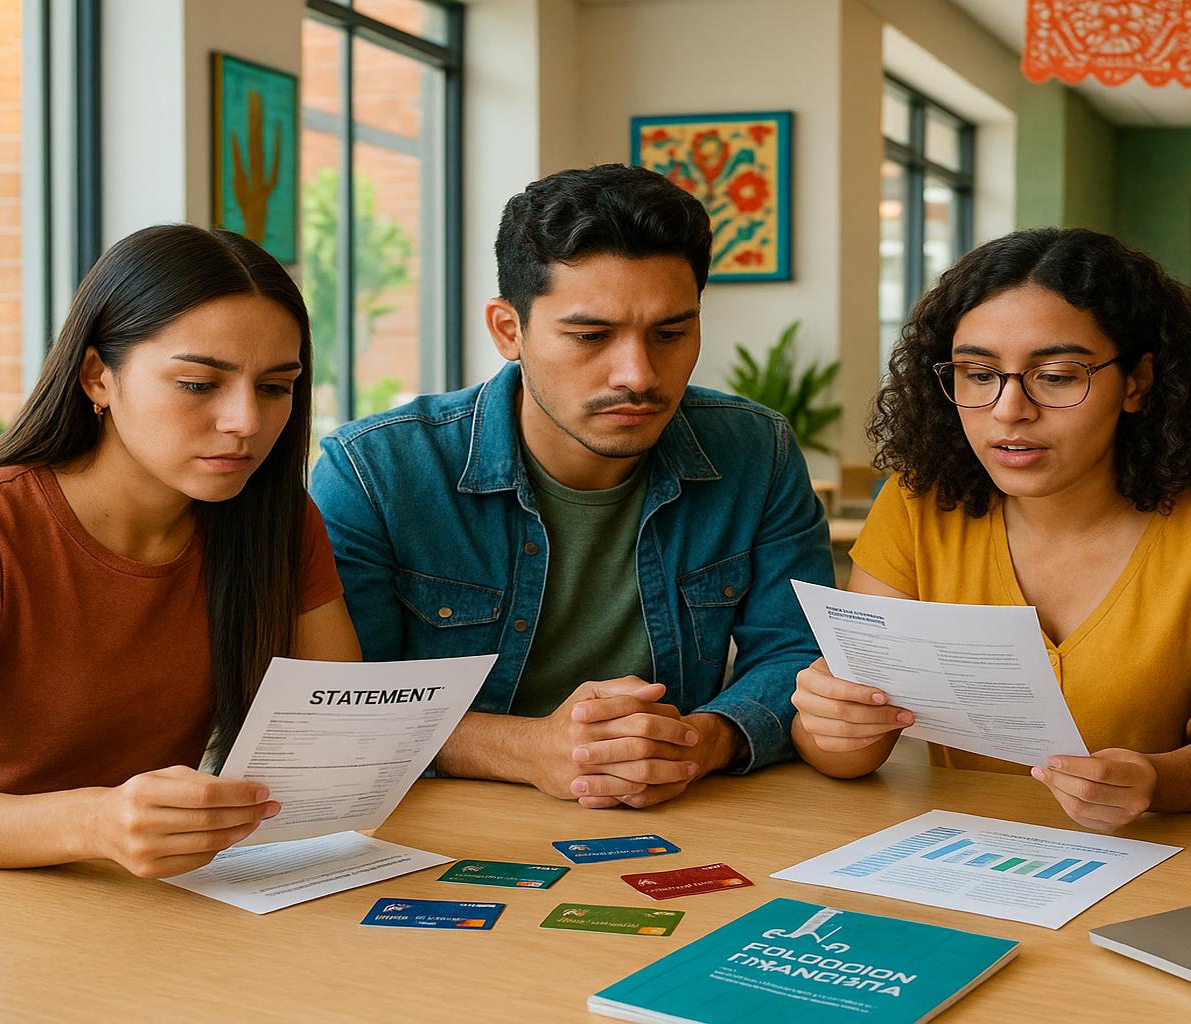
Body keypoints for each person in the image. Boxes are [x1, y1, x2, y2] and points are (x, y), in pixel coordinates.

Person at [312, 164, 832, 811]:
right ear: (509, 330)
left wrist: (707, 738)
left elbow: (798, 652)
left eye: (671, 333)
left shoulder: (756, 451)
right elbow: (337, 705)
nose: (637, 374)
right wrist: (525, 748)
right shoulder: (375, 470)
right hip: (438, 828)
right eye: (591, 336)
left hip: (678, 815)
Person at [789, 227, 1191, 832]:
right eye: (978, 373)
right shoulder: (917, 504)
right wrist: (829, 722)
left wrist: (1153, 781)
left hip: (1166, 855)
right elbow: (855, 753)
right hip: (956, 856)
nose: (1009, 409)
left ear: (1138, 381)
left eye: (1059, 375)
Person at [0, 224, 361, 877]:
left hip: (157, 898)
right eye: (198, 384)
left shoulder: (277, 523)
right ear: (98, 376)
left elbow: (340, 744)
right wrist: (97, 822)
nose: (245, 421)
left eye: (275, 387)